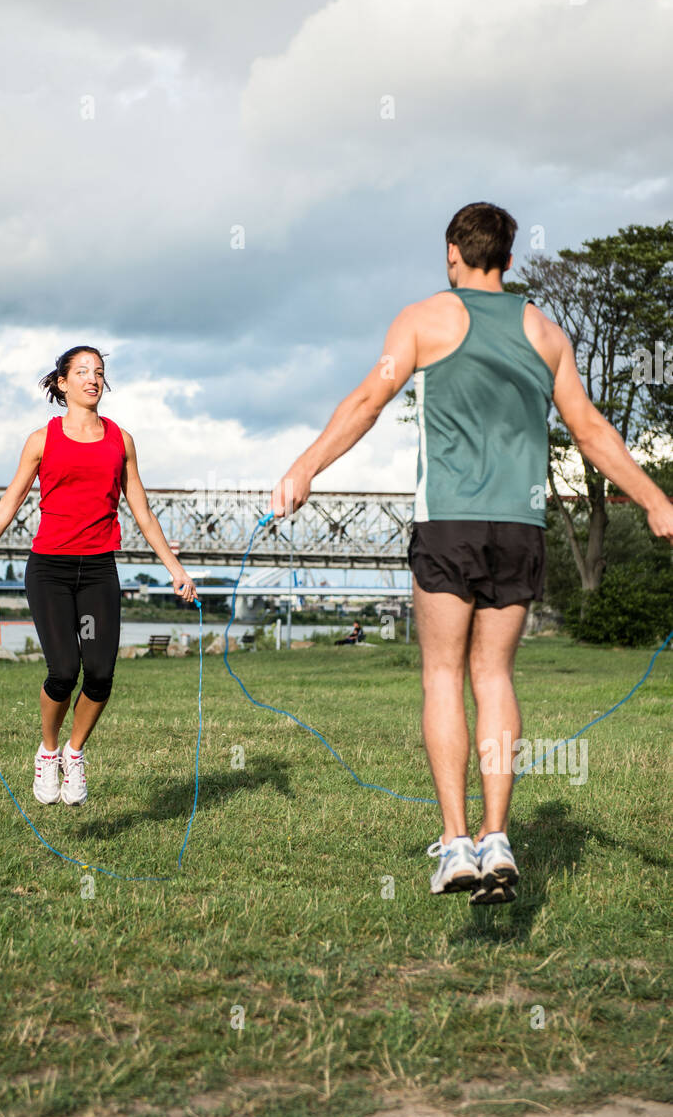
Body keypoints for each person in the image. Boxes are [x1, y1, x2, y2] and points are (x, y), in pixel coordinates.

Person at [270, 202, 673, 903]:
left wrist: (305, 468)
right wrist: (654, 499)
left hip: (448, 522)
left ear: (451, 252)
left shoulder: (423, 319)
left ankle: (455, 844)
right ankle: (497, 836)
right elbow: (590, 431)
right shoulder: (543, 332)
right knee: (493, 677)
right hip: (518, 526)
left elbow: (370, 398)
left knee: (440, 675)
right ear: (509, 261)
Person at [0, 345, 198, 807]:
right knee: (64, 670)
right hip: (50, 571)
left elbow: (141, 511)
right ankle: (48, 751)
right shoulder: (42, 440)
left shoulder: (122, 441)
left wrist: (175, 570)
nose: (92, 379)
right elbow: (6, 506)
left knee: (99, 674)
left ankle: (74, 755)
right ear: (62, 383)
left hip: (98, 569)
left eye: (99, 372)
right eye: (82, 372)